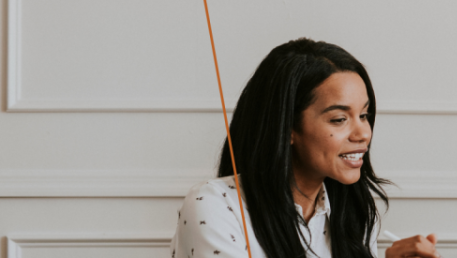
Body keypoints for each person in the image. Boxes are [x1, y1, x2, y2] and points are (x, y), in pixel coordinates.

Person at [171, 38, 440, 258]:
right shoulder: (214, 205)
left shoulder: (353, 214)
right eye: (339, 119)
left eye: (364, 115)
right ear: (287, 127)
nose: (363, 133)